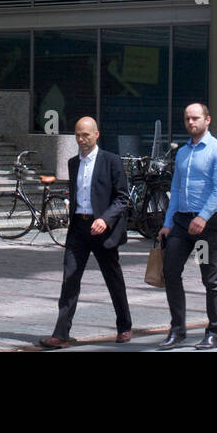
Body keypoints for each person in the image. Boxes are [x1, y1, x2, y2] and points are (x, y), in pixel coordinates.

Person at [40, 117, 132, 348]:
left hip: (102, 229)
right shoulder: (73, 163)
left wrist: (105, 219)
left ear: (97, 135)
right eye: (78, 135)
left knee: (113, 279)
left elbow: (123, 198)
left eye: (86, 135)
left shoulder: (111, 161)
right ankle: (61, 334)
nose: (81, 140)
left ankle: (124, 326)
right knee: (69, 279)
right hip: (79, 229)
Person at [158, 103, 217, 350]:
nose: (191, 122)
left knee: (208, 276)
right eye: (188, 118)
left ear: (207, 120)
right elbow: (176, 190)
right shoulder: (182, 152)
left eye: (196, 118)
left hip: (206, 227)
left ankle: (214, 332)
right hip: (181, 223)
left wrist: (202, 217)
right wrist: (168, 223)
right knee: (170, 271)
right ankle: (177, 330)